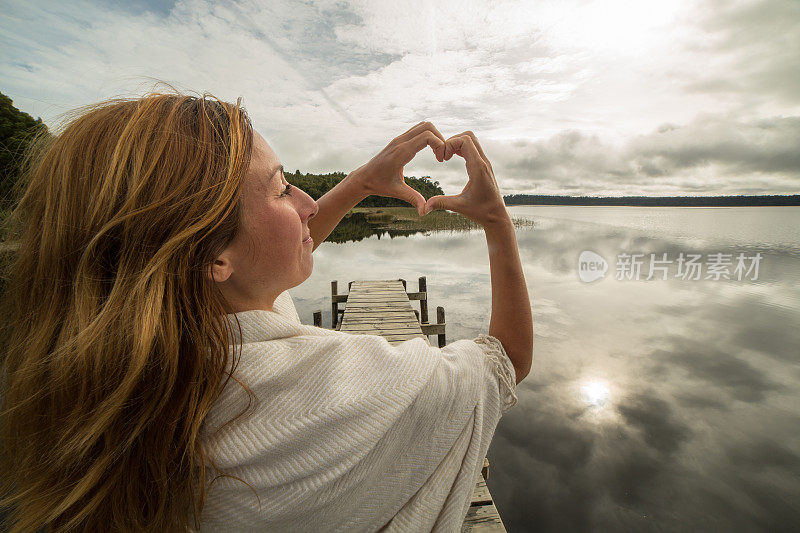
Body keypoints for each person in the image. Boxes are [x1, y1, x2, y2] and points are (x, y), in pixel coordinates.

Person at [0, 91, 532, 532]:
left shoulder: (122, 376)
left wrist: (366, 180)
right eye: (281, 189)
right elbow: (504, 360)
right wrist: (495, 219)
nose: (307, 203)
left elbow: (263, 262)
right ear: (213, 256)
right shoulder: (335, 393)